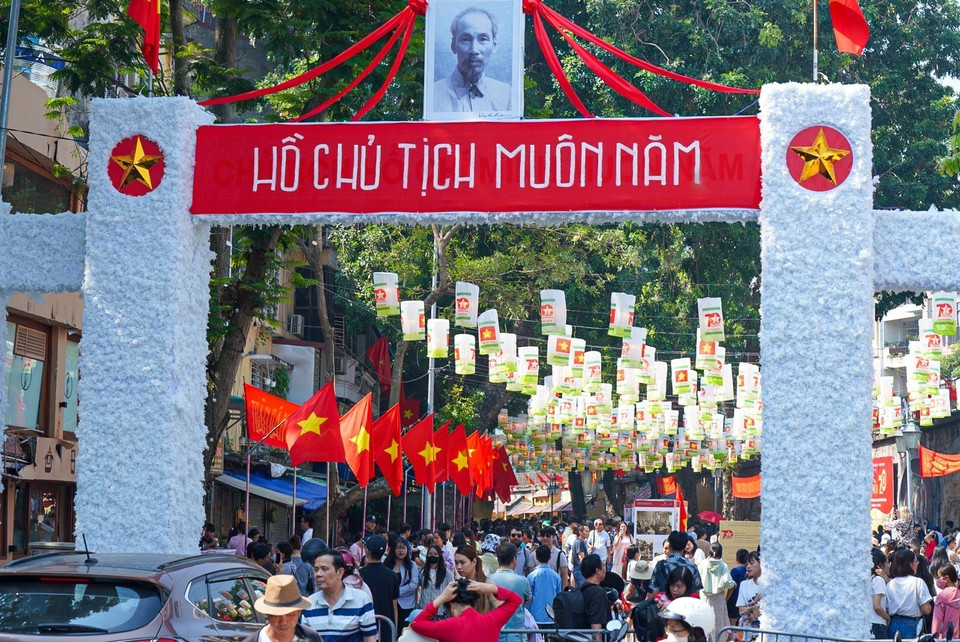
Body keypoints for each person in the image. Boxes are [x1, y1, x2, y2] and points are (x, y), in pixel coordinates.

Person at [433, 7, 512, 113]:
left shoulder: (506, 95)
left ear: (494, 45)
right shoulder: (433, 94)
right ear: (453, 45)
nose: (474, 50)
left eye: (483, 39)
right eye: (466, 40)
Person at [410, 577, 522, 642]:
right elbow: (516, 600)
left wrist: (440, 599)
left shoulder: (450, 625)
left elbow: (415, 623)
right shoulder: (492, 620)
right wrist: (492, 588)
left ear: (452, 607)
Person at [302, 549, 377, 642]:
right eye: (316, 569)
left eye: (324, 569)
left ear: (340, 572)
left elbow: (370, 638)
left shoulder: (361, 600)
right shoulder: (309, 604)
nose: (318, 574)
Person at [244, 574, 321, 642]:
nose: (283, 622)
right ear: (267, 613)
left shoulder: (312, 638)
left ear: (299, 611)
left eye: (290, 615)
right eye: (276, 615)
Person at [488, 541, 532, 642]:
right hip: (517, 637)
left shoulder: (487, 580)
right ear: (514, 559)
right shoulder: (523, 581)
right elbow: (527, 600)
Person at [357, 534, 400, 637]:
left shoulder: (358, 575)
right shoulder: (392, 575)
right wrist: (395, 630)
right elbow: (395, 606)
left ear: (367, 551)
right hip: (386, 626)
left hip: (363, 627)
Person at [886, 549, 933, 638]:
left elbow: (887, 609)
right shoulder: (918, 582)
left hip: (894, 623)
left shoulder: (890, 584)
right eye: (915, 561)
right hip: (911, 625)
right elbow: (926, 610)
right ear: (909, 564)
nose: (917, 564)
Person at [648, 531, 704, 599]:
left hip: (664, 605)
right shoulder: (692, 566)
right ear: (684, 547)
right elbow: (697, 591)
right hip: (685, 606)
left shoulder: (660, 564)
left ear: (670, 546)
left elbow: (654, 590)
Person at [697, 542, 735, 637]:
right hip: (718, 597)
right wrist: (733, 584)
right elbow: (728, 582)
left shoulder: (702, 564)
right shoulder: (723, 565)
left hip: (704, 596)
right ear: (721, 552)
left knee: (704, 621)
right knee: (719, 623)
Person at [386, 535, 420, 629]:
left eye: (403, 548)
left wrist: (396, 593)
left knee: (403, 629)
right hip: (389, 603)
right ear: (393, 550)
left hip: (406, 604)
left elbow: (414, 584)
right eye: (398, 548)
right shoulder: (387, 564)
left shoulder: (412, 565)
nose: (401, 551)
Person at [454, 544, 496, 613]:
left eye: (462, 562)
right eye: (456, 563)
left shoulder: (487, 584)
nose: (458, 567)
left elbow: (500, 607)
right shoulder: (459, 584)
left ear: (474, 562)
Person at [527, 544, 562, 626]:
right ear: (550, 557)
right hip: (551, 616)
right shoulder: (556, 576)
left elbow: (528, 597)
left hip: (534, 616)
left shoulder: (531, 576)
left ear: (536, 557)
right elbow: (558, 596)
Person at [580, 553, 612, 633]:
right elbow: (596, 625)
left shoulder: (580, 590)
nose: (605, 569)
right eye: (603, 566)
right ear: (597, 570)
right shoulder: (598, 592)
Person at [417, 543, 449, 613]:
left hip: (440, 610)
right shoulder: (422, 572)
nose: (432, 555)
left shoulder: (446, 572)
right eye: (430, 553)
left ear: (439, 556)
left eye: (435, 554)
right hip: (424, 609)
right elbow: (416, 588)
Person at [538, 525, 571, 589]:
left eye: (548, 536)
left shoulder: (560, 554)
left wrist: (563, 592)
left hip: (555, 588)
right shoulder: (534, 554)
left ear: (553, 538)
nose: (545, 538)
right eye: (542, 535)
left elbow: (564, 575)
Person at [736, 552, 762, 629]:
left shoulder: (769, 585)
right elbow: (741, 610)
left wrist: (759, 614)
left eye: (751, 563)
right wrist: (751, 609)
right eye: (747, 564)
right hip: (747, 631)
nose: (748, 567)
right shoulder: (744, 585)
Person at [934, 563, 960, 637]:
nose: (939, 580)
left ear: (946, 578)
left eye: (940, 577)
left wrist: (934, 637)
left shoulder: (942, 596)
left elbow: (937, 620)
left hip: (948, 636)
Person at [870, 547, 890, 640]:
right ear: (880, 566)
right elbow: (877, 606)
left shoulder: (871, 579)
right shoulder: (878, 580)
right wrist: (888, 618)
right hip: (878, 625)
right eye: (886, 563)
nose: (889, 565)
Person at [726, 549, 749, 626]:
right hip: (745, 601)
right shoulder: (749, 570)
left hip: (734, 600)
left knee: (732, 625)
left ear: (736, 559)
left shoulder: (735, 571)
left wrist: (726, 599)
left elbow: (731, 587)